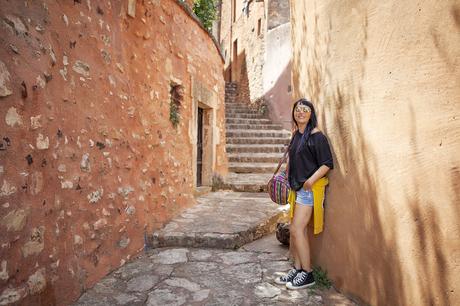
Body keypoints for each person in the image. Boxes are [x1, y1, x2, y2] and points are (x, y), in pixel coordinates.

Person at [275, 98, 334, 289]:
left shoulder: (317, 136)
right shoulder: (296, 135)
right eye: (298, 109)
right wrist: (286, 174)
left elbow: (327, 163)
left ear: (311, 114)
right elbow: (294, 159)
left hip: (308, 190)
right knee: (297, 230)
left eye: (305, 110)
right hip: (296, 189)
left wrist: (311, 180)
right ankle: (298, 269)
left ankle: (308, 274)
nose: (300, 112)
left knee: (296, 229)